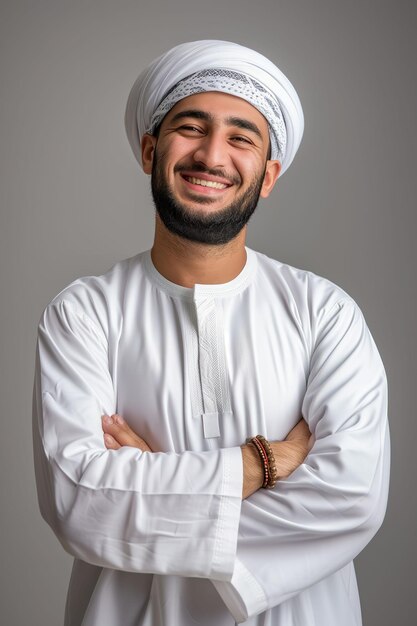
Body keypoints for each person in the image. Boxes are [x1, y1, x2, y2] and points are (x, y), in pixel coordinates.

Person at [32, 40, 390, 626]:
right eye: (191, 127)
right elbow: (82, 503)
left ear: (268, 174)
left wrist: (155, 491)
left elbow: (351, 499)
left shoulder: (326, 313)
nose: (212, 155)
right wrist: (269, 462)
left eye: (241, 138)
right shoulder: (83, 315)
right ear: (150, 151)